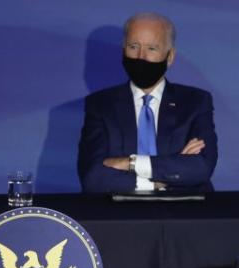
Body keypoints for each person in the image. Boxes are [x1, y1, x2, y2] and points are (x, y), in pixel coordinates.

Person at [77, 13, 217, 193]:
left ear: (170, 56)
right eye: (133, 46)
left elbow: (201, 167)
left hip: (185, 212)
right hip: (119, 215)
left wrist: (129, 162)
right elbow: (93, 177)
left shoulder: (196, 102)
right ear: (123, 50)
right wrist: (159, 181)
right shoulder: (100, 104)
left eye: (152, 48)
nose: (141, 57)